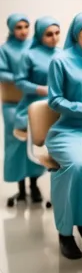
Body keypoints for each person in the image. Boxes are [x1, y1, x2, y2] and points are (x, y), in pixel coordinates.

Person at [46, 12, 82, 259]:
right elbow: (54, 100)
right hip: (67, 131)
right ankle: (65, 231)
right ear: (76, 34)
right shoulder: (60, 61)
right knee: (78, 165)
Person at [12, 16, 61, 202]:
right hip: (31, 108)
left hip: (56, 107)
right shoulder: (29, 55)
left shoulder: (62, 54)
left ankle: (52, 189)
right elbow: (19, 82)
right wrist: (41, 89)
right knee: (31, 144)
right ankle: (26, 187)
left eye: (57, 33)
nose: (54, 38)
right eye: (49, 34)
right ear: (40, 35)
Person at [0, 14, 39, 204]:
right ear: (12, 29)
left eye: (26, 26)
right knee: (15, 144)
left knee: (34, 142)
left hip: (33, 103)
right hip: (12, 104)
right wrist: (21, 78)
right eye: (19, 27)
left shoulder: (34, 46)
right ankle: (21, 189)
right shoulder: (5, 49)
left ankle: (34, 185)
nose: (23, 31)